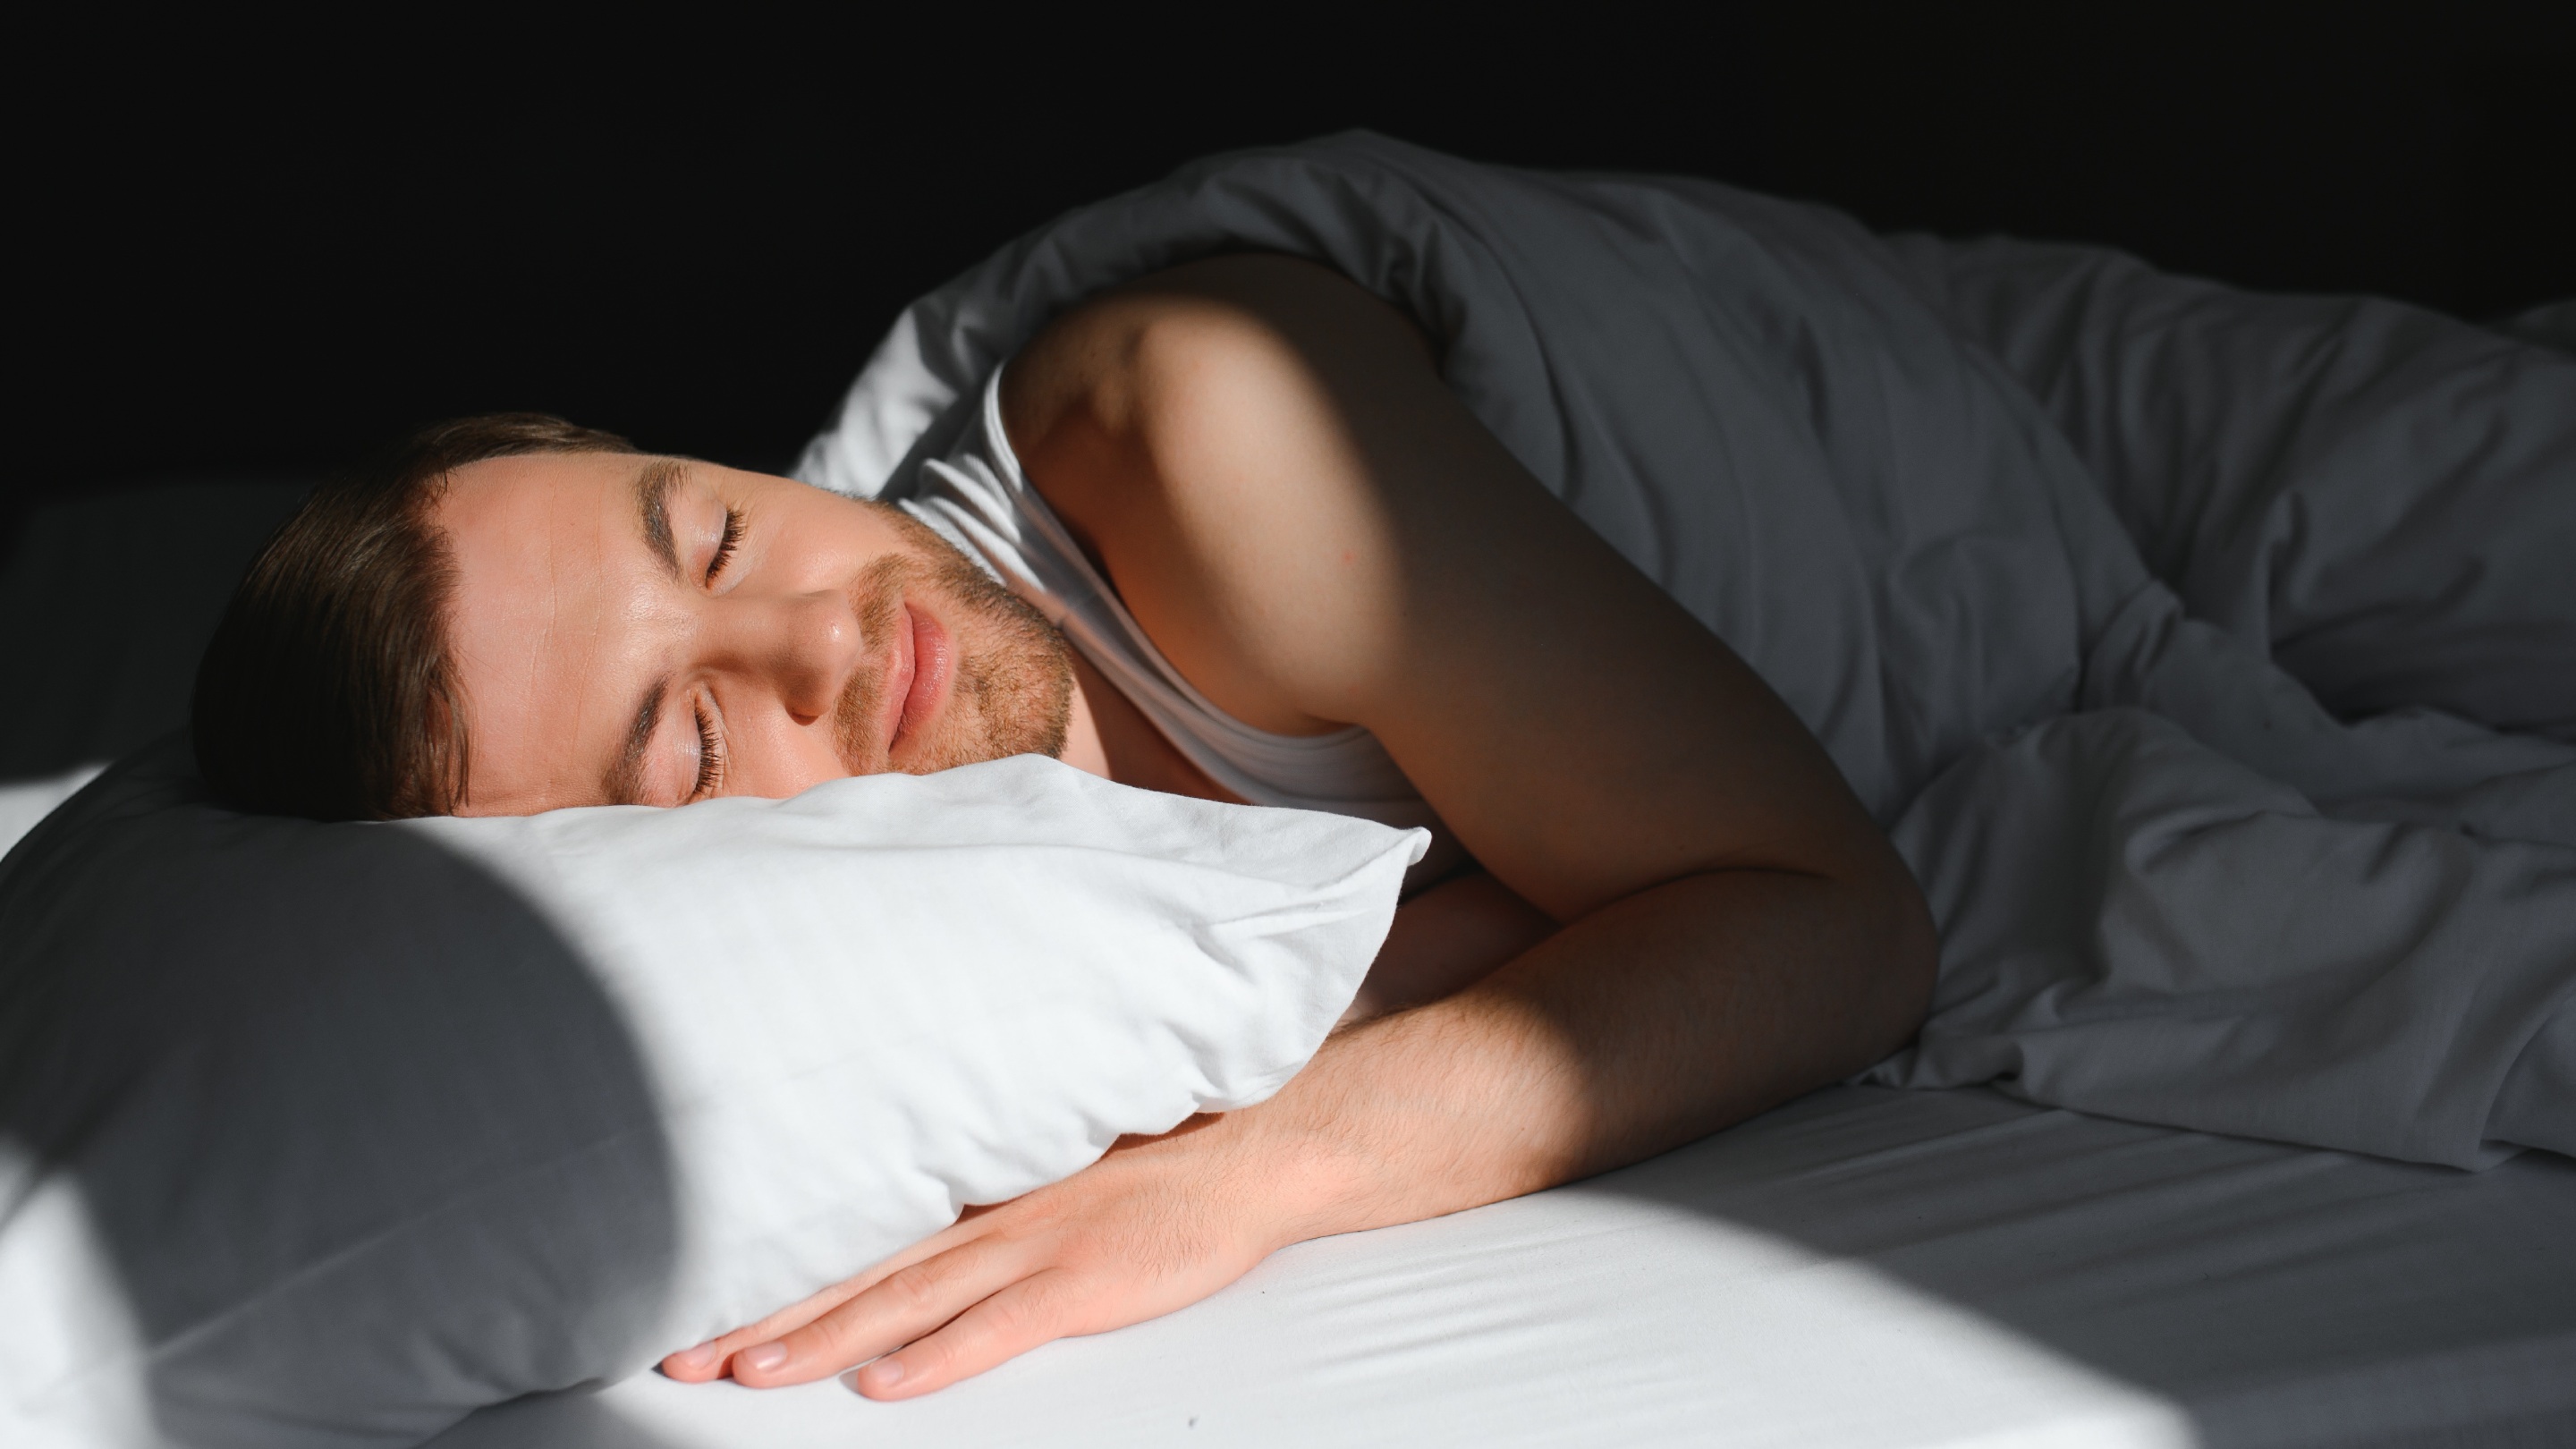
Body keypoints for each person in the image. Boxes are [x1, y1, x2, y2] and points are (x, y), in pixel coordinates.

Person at [191, 253, 1938, 1398]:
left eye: (715, 537)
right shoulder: (945, 978)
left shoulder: (1208, 440)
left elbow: (1833, 928)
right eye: (696, 747)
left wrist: (1252, 1170)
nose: (820, 636)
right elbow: (1605, 901)